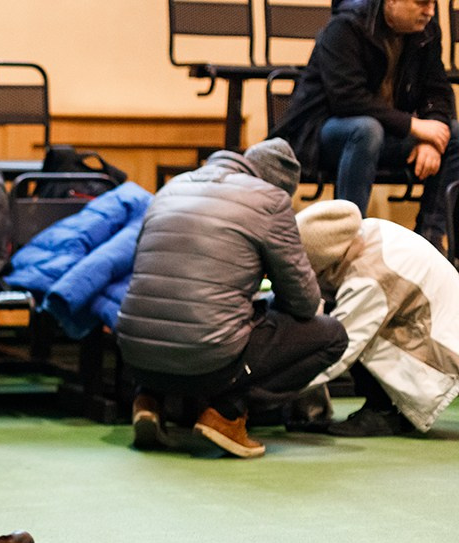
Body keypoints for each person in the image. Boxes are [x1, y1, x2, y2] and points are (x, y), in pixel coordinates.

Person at [115, 138, 349, 458]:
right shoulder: (269, 200)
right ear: (281, 187)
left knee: (183, 312)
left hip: (135, 356)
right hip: (205, 357)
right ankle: (226, 414)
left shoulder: (173, 187)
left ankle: (148, 401)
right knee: (330, 334)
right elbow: (304, 303)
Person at [271, 0, 459, 250]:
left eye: (433, 3)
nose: (430, 11)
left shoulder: (426, 32)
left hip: (383, 134)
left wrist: (433, 138)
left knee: (454, 134)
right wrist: (414, 126)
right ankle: (347, 240)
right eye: (422, 3)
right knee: (366, 129)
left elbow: (438, 92)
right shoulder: (346, 26)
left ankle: (430, 240)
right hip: (319, 136)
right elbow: (347, 99)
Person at [295, 199, 459, 435]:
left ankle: (382, 411)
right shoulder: (363, 233)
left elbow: (339, 348)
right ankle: (387, 409)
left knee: (338, 332)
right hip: (437, 327)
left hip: (442, 351)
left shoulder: (368, 277)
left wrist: (271, 393)